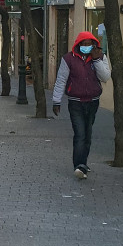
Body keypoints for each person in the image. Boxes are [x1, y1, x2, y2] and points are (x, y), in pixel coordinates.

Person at [51, 31, 111, 179]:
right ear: (78, 45)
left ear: (93, 45)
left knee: (88, 134)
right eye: (83, 44)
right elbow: (61, 80)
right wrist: (56, 101)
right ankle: (79, 165)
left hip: (92, 102)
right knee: (80, 134)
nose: (86, 47)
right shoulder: (68, 59)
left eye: (89, 44)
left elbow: (105, 77)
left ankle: (83, 163)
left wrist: (96, 60)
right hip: (75, 103)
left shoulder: (100, 57)